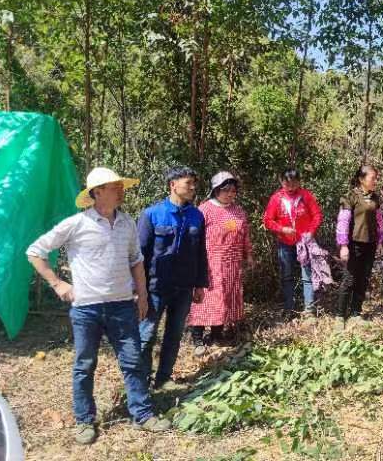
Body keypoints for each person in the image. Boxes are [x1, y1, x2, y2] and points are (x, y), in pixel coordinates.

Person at [27, 168, 171, 445]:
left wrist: (142, 296)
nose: (121, 189)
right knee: (84, 365)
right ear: (97, 192)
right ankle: (84, 420)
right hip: (87, 309)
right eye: (114, 186)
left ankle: (142, 414)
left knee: (133, 361)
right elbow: (35, 251)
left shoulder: (127, 222)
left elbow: (136, 261)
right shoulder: (76, 224)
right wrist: (58, 284)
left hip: (122, 306)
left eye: (120, 185)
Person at [138, 166, 208, 390]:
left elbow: (200, 252)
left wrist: (199, 284)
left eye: (194, 183)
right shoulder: (151, 214)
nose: (193, 188)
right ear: (173, 185)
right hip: (155, 287)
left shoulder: (197, 216)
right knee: (146, 336)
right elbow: (139, 254)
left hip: (184, 287)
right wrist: (138, 289)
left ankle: (164, 379)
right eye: (188, 183)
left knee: (174, 334)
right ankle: (141, 382)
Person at [188, 172, 254, 356]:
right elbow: (194, 237)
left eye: (234, 191)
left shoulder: (238, 210)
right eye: (226, 190)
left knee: (225, 299)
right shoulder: (204, 210)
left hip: (232, 263)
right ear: (216, 190)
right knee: (206, 299)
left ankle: (217, 334)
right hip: (210, 263)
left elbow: (245, 235)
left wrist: (248, 255)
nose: (231, 194)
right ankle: (197, 338)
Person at [263, 168, 323, 321]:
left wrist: (310, 232)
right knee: (287, 276)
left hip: (304, 242)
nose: (290, 186)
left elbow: (317, 215)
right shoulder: (276, 198)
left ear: (299, 182)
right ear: (281, 182)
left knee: (307, 276)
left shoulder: (306, 196)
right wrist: (282, 229)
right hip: (285, 243)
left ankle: (309, 310)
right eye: (287, 182)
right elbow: (268, 220)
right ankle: (289, 308)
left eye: (294, 182)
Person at [334, 165, 383, 328]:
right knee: (349, 279)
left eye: (376, 178)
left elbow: (379, 222)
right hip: (354, 244)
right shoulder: (350, 196)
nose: (375, 181)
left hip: (370, 244)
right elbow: (343, 221)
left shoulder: (375, 197)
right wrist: (343, 245)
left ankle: (356, 312)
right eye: (373, 178)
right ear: (361, 179)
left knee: (363, 279)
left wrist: (380, 241)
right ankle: (340, 316)